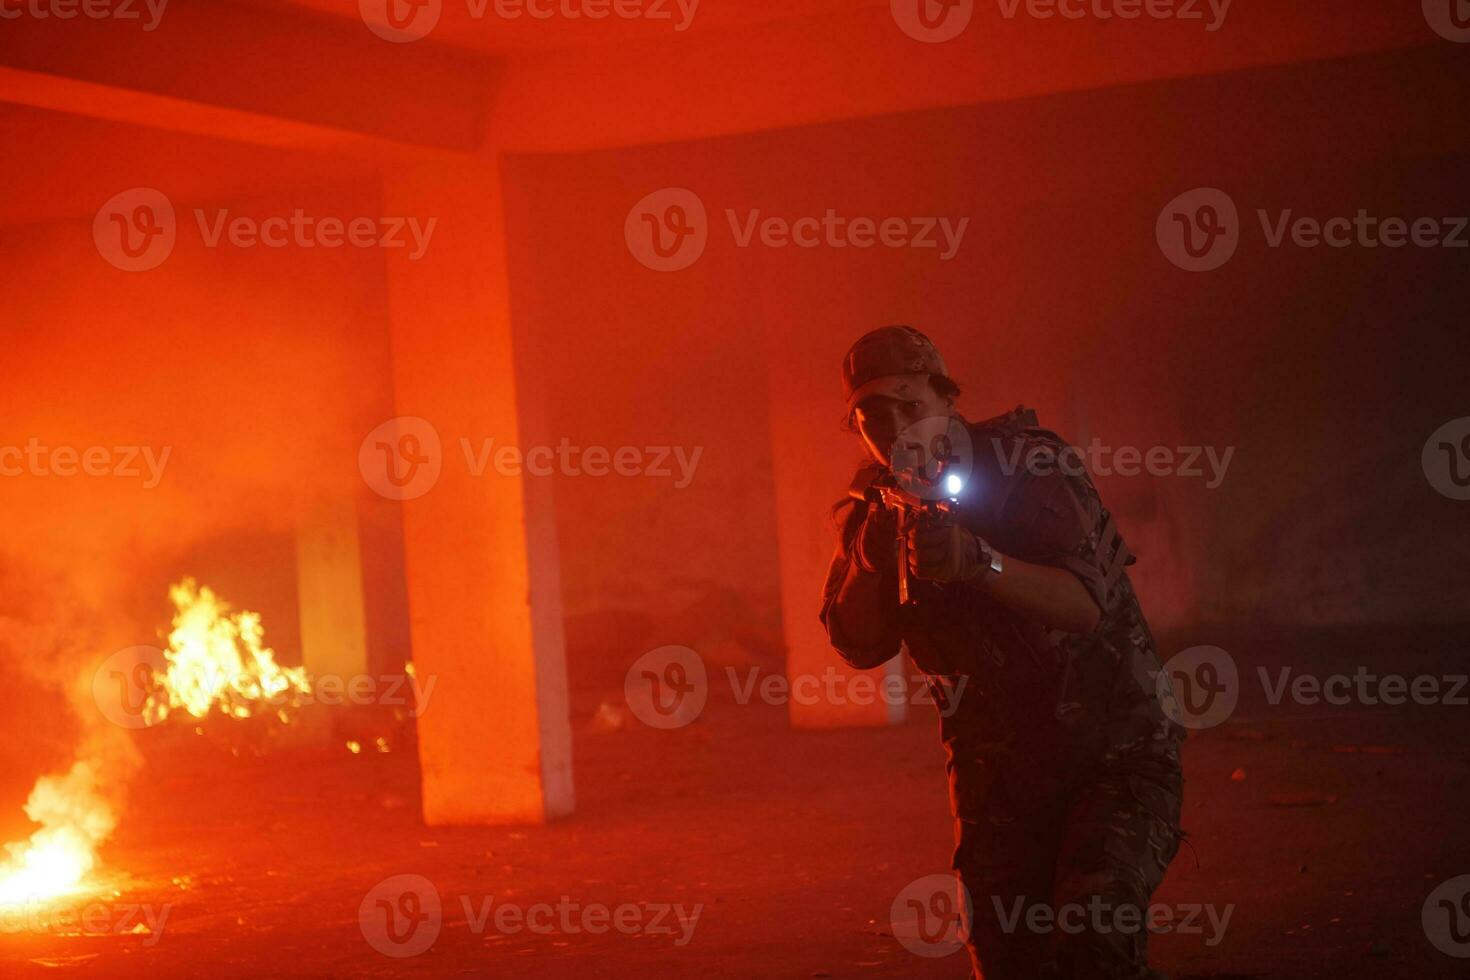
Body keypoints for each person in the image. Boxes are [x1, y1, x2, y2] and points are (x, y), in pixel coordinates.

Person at [819, 325, 1185, 979]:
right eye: (873, 414)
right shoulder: (875, 505)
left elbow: (1084, 607)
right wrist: (873, 558)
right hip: (997, 775)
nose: (895, 426)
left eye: (910, 404)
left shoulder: (1027, 467)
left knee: (1094, 935)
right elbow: (857, 645)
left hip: (1113, 750)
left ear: (946, 397)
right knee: (1009, 959)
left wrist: (978, 563)